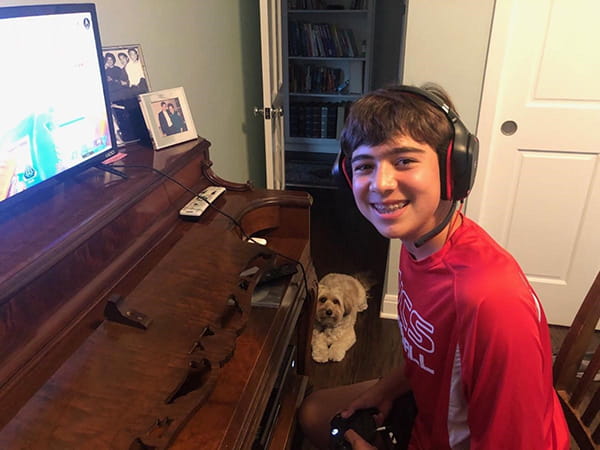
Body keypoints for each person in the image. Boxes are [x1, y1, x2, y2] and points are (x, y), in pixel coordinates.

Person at [298, 84, 570, 449]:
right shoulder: (417, 247)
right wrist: (385, 390)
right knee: (314, 412)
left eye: (404, 161)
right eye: (365, 166)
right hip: (430, 409)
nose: (380, 184)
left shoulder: (492, 303)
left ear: (453, 169)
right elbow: (430, 354)